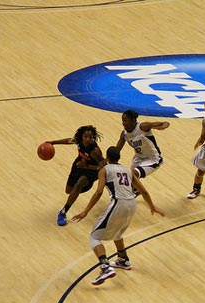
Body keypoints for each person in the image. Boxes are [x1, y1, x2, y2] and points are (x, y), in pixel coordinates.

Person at [72, 146, 164, 286]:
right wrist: (152, 207)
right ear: (118, 157)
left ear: (107, 158)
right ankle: (123, 259)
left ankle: (105, 267)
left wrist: (85, 211)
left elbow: (98, 192)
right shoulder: (128, 170)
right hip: (132, 204)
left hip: (118, 203)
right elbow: (143, 191)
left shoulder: (104, 170)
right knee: (117, 232)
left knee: (94, 237)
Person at [46, 125, 106, 226]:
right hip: (79, 164)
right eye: (85, 137)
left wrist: (86, 166)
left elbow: (103, 167)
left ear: (93, 138)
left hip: (92, 170)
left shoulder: (94, 151)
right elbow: (69, 140)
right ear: (81, 136)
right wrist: (53, 142)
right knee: (68, 191)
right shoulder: (78, 141)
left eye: (90, 137)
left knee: (79, 184)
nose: (87, 139)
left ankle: (63, 212)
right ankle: (79, 190)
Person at [116, 110, 169, 196]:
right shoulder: (124, 134)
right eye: (122, 120)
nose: (123, 123)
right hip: (138, 158)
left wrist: (163, 126)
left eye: (126, 120)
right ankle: (135, 190)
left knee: (133, 174)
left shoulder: (142, 127)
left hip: (153, 158)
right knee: (130, 177)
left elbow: (164, 123)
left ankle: (137, 192)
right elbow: (117, 150)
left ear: (133, 120)